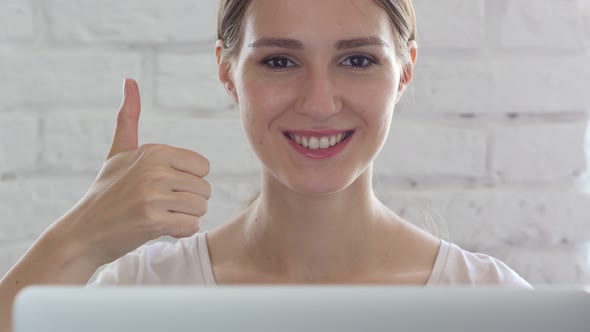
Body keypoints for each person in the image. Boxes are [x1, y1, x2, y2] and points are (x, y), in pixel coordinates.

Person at [0, 0, 532, 330]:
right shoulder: (144, 294)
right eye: (280, 61)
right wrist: (79, 239)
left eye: (357, 60)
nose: (320, 102)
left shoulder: (492, 305)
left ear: (405, 71)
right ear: (227, 71)